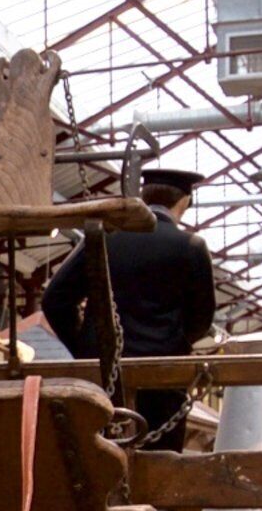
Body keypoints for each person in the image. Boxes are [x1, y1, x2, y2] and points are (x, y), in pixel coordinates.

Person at [41, 162, 218, 447]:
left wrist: (88, 347)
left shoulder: (103, 238)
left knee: (96, 463)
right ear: (184, 201)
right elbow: (202, 319)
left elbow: (55, 299)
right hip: (162, 380)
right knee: (161, 466)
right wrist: (173, 342)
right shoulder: (191, 246)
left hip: (101, 380)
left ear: (144, 198)